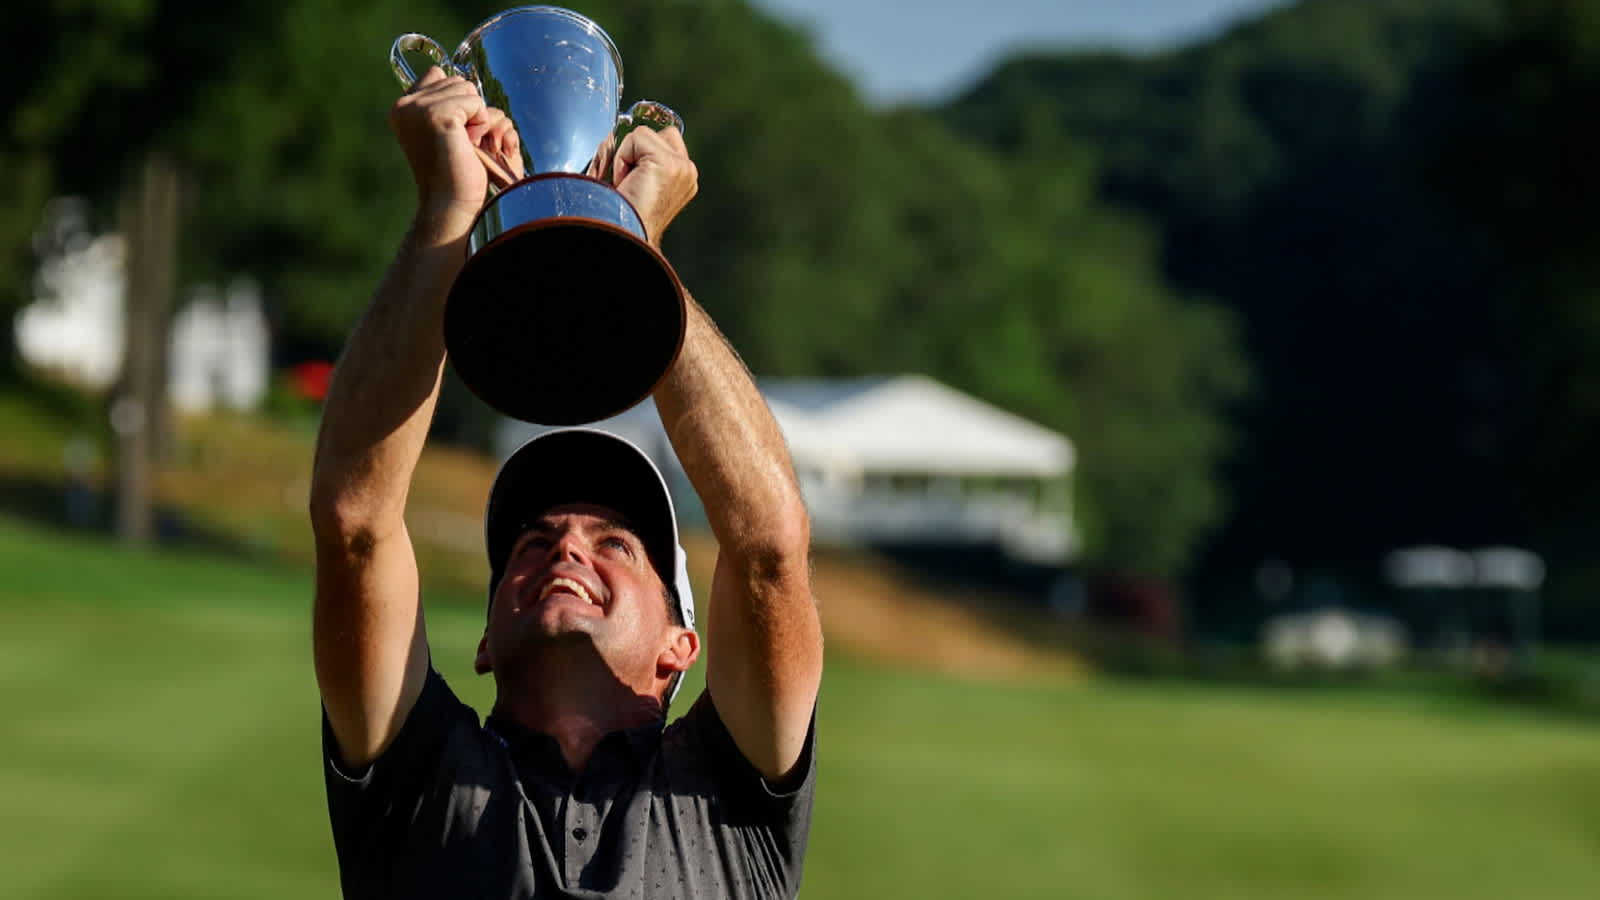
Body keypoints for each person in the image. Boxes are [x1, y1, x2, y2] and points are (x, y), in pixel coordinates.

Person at [308, 67, 824, 899]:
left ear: (680, 648)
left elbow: (768, 547)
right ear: (482, 640)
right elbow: (356, 524)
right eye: (534, 539)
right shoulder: (417, 777)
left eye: (616, 541)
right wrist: (448, 211)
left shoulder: (732, 796)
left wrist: (633, 247)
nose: (565, 548)